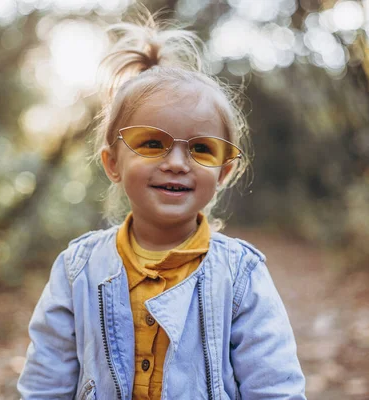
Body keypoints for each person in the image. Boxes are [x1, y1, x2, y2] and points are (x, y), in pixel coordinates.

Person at [17, 13, 306, 400]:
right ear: (112, 163)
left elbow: (275, 388)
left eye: (201, 148)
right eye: (152, 143)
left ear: (224, 172)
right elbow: (44, 385)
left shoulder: (241, 277)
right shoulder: (77, 272)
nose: (176, 163)